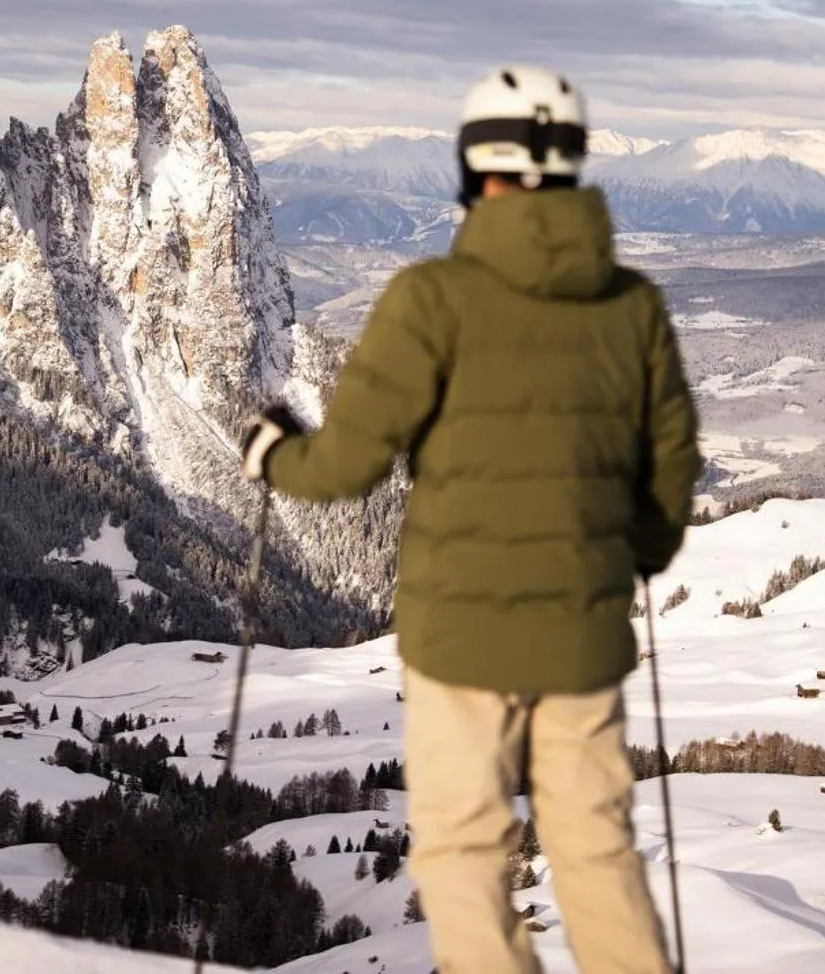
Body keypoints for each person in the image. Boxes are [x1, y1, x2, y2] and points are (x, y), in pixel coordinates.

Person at [239, 66, 701, 974]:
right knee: (597, 855)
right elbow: (669, 478)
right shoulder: (632, 308)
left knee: (464, 854)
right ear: (570, 166)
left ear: (472, 167)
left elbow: (345, 467)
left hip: (462, 645)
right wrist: (627, 555)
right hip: (581, 640)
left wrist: (272, 453)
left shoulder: (432, 299)